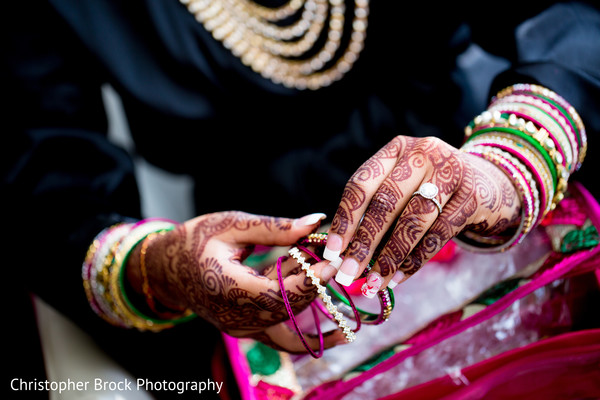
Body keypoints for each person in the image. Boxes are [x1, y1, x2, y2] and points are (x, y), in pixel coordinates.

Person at [3, 0, 600, 399]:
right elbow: (45, 191)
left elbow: (572, 12)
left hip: (479, 158)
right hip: (258, 274)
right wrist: (164, 269)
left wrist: (512, 162)